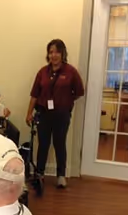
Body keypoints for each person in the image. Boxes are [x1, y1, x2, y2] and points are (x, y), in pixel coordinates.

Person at [26, 39, 84, 189]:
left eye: (57, 51)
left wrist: (65, 102)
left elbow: (78, 92)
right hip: (43, 114)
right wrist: (29, 113)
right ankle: (39, 174)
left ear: (63, 53)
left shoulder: (71, 72)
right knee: (43, 144)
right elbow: (34, 95)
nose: (54, 55)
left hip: (61, 115)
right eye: (51, 52)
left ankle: (61, 176)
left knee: (59, 144)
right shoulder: (42, 72)